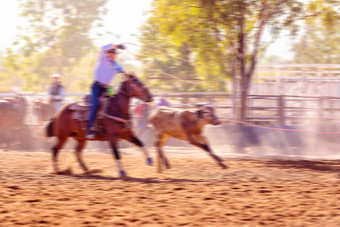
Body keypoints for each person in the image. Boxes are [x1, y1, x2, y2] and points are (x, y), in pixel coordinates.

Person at [86, 43, 126, 139]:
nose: (114, 55)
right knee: (95, 106)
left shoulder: (116, 65)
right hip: (97, 86)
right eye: (113, 53)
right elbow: (102, 48)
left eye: (115, 54)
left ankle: (114, 126)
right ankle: (90, 129)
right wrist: (115, 46)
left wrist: (127, 74)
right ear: (109, 54)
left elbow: (123, 71)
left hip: (108, 87)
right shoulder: (103, 59)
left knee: (116, 102)